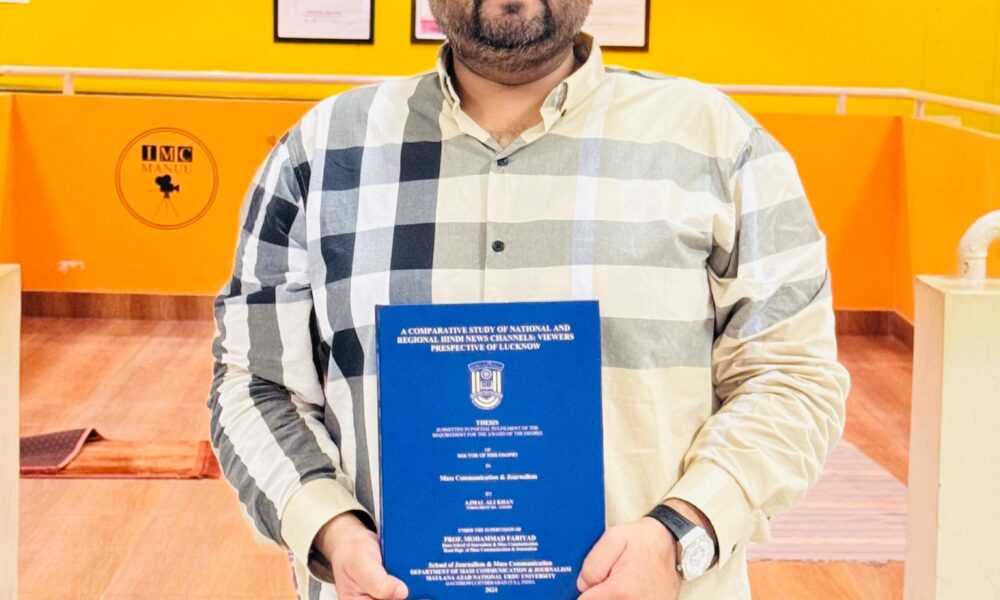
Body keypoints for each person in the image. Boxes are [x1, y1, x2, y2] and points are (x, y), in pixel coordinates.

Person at [205, 0, 851, 598]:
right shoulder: (318, 154)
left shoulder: (721, 147)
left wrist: (679, 532)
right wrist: (330, 531)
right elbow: (255, 384)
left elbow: (792, 380)